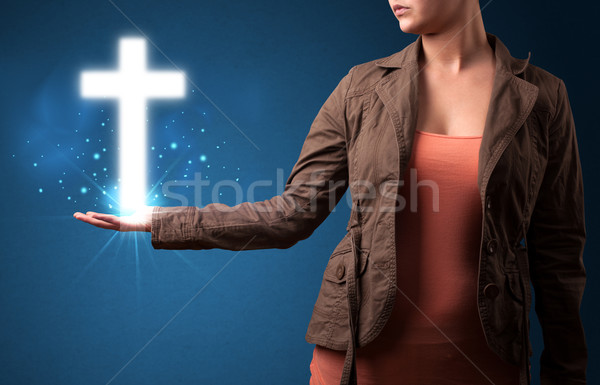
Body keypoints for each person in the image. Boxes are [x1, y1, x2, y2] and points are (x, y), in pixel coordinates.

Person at [74, 1, 588, 384]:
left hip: (488, 359)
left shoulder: (543, 97)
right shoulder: (361, 89)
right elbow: (293, 212)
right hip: (360, 360)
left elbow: (559, 254)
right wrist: (163, 221)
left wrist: (566, 373)